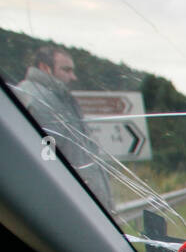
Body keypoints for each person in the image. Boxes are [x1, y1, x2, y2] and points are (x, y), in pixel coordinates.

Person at [14, 45, 114, 208]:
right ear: (45, 68)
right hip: (69, 204)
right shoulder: (35, 100)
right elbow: (46, 159)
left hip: (82, 203)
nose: (72, 76)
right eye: (66, 70)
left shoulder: (59, 98)